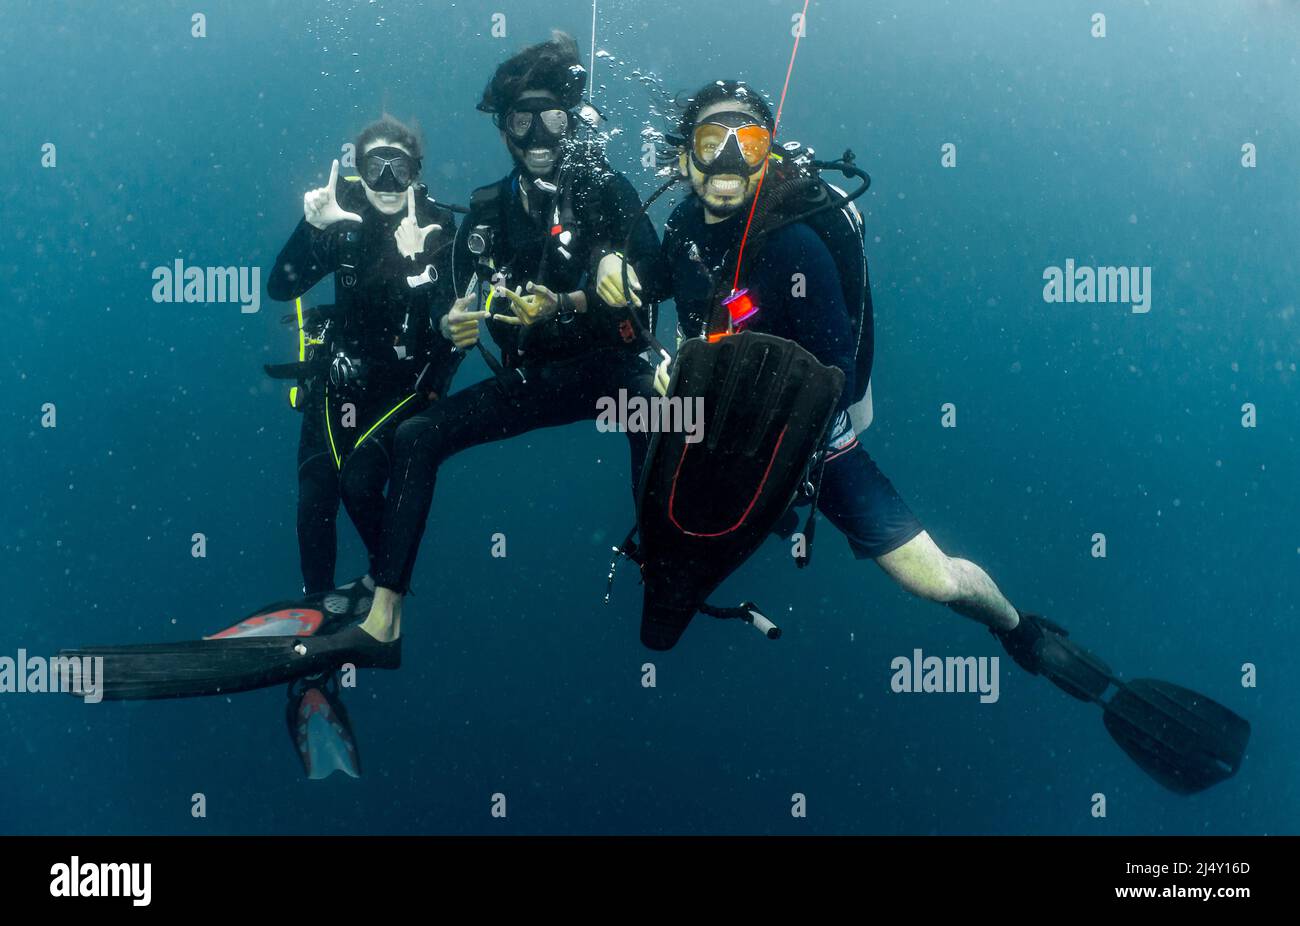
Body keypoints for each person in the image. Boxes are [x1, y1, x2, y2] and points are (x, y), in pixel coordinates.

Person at [355, 32, 663, 644]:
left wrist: (598, 277)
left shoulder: (603, 187)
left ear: (570, 121)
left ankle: (665, 571)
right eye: (523, 122)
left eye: (552, 119)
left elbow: (657, 274)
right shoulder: (490, 210)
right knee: (418, 436)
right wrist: (452, 323)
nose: (540, 139)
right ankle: (385, 611)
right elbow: (455, 296)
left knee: (665, 410)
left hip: (612, 371)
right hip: (534, 380)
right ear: (503, 131)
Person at [264, 116, 460, 777]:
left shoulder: (440, 228)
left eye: (397, 169)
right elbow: (281, 285)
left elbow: (454, 323)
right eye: (373, 167)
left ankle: (383, 589)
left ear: (416, 173)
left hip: (399, 393)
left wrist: (417, 265)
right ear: (355, 167)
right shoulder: (340, 220)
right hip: (335, 377)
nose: (384, 181)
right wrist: (312, 227)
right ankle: (316, 635)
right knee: (315, 495)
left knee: (357, 489)